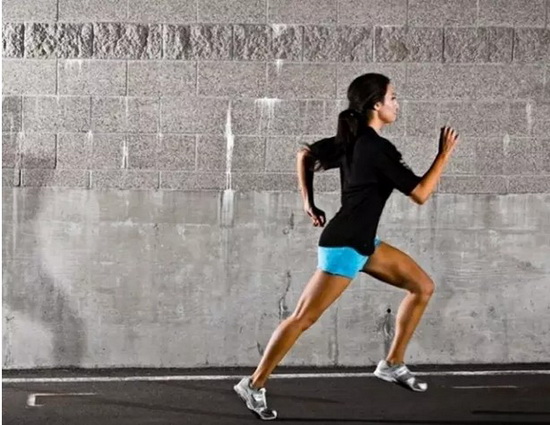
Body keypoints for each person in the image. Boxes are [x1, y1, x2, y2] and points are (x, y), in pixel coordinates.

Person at [234, 73, 459, 420]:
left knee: (422, 286)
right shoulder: (376, 148)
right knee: (302, 318)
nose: (397, 104)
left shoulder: (351, 140)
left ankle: (392, 362)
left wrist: (308, 203)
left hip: (362, 243)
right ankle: (253, 384)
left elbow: (304, 154)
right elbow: (420, 193)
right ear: (376, 105)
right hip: (344, 246)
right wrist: (443, 155)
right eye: (393, 98)